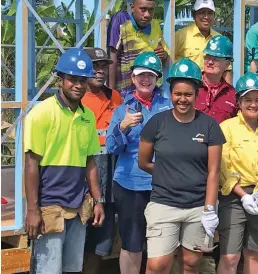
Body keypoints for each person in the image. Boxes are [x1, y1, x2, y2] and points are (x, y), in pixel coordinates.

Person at [137, 58, 226, 274]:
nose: (182, 99)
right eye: (178, 94)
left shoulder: (209, 125)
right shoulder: (157, 123)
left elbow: (213, 172)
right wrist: (168, 174)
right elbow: (143, 162)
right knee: (157, 265)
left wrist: (209, 209)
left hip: (197, 206)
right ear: (170, 93)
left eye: (188, 94)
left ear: (197, 95)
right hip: (163, 204)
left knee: (191, 263)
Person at [23, 48, 105, 273]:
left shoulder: (87, 116)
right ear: (60, 80)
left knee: (72, 269)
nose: (78, 85)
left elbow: (90, 162)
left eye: (82, 80)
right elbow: (31, 164)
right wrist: (32, 210)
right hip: (49, 206)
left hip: (78, 206)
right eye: (72, 80)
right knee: (47, 269)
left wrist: (98, 201)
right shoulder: (41, 113)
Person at [106, 52, 172, 274]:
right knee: (132, 244)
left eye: (151, 76)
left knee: (162, 244)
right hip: (130, 184)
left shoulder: (168, 106)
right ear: (133, 78)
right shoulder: (121, 109)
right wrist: (122, 127)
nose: (146, 80)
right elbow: (112, 148)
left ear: (157, 79)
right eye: (141, 75)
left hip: (162, 184)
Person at [216, 72, 258, 274]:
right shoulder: (226, 128)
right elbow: (223, 167)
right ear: (239, 102)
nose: (253, 104)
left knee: (255, 254)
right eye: (248, 100)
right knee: (230, 256)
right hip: (234, 198)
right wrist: (243, 196)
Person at [82, 47, 123, 274]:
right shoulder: (78, 98)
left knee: (100, 240)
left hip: (111, 169)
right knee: (81, 235)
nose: (100, 72)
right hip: (85, 170)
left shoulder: (114, 97)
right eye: (94, 66)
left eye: (103, 67)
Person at [108, 0, 169, 97]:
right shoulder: (121, 20)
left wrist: (163, 55)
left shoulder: (155, 25)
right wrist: (111, 94)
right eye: (143, 9)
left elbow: (165, 58)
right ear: (132, 8)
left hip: (152, 92)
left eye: (151, 10)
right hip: (126, 94)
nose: (147, 15)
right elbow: (112, 57)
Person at [175, 0, 233, 85]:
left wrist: (229, 95)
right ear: (194, 15)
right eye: (202, 12)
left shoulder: (219, 38)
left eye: (210, 13)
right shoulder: (180, 35)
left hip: (213, 91)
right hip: (188, 91)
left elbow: (227, 70)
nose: (206, 17)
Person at [195, 35, 237, 124]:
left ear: (227, 64)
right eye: (207, 57)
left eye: (216, 59)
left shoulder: (232, 95)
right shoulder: (192, 87)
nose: (210, 62)